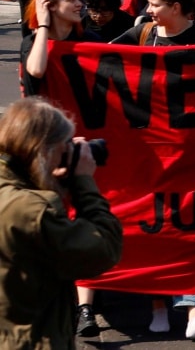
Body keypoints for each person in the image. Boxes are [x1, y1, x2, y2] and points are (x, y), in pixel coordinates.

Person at [0, 97, 123, 350]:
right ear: (42, 150)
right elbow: (103, 249)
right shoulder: (29, 210)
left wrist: (52, 180)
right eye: (63, 145)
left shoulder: (12, 195)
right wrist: (83, 183)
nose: (69, 151)